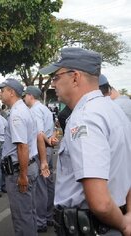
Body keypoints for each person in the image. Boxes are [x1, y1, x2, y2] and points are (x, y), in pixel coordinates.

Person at [39, 47, 131, 235]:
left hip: (94, 226)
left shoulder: (85, 118)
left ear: (75, 77)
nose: (53, 84)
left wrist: (124, 224)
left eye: (56, 77)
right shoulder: (113, 111)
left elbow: (100, 202)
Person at [0, 78, 39, 236]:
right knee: (29, 212)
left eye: (2, 90)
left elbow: (22, 146)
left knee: (22, 217)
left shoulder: (16, 114)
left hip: (19, 169)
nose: (0, 94)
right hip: (27, 166)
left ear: (11, 92)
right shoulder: (23, 109)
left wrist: (22, 175)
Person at [23, 86, 55, 232]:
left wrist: (42, 159)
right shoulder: (45, 109)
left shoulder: (35, 110)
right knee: (48, 184)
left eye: (25, 96)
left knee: (41, 186)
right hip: (48, 150)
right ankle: (48, 216)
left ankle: (41, 221)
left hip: (41, 150)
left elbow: (39, 134)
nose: (24, 99)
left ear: (31, 96)